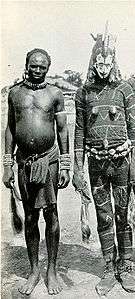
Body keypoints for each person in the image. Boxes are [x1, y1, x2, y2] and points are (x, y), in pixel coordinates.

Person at [73, 25, 135, 296]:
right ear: (93, 62)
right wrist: (78, 169)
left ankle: (125, 267)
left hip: (122, 162)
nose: (103, 67)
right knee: (104, 215)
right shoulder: (83, 93)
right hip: (96, 164)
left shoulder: (125, 90)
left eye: (108, 62)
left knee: (123, 213)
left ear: (114, 62)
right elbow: (79, 132)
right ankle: (107, 267)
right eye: (98, 62)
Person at [2, 48, 71, 295]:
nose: (38, 70)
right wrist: (7, 164)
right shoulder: (15, 93)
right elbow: (10, 128)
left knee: (51, 214)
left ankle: (51, 270)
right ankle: (33, 270)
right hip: (24, 163)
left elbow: (62, 130)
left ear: (48, 68)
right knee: (30, 216)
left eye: (42, 66)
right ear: (27, 64)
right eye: (34, 65)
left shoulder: (55, 93)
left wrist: (65, 164)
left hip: (49, 161)